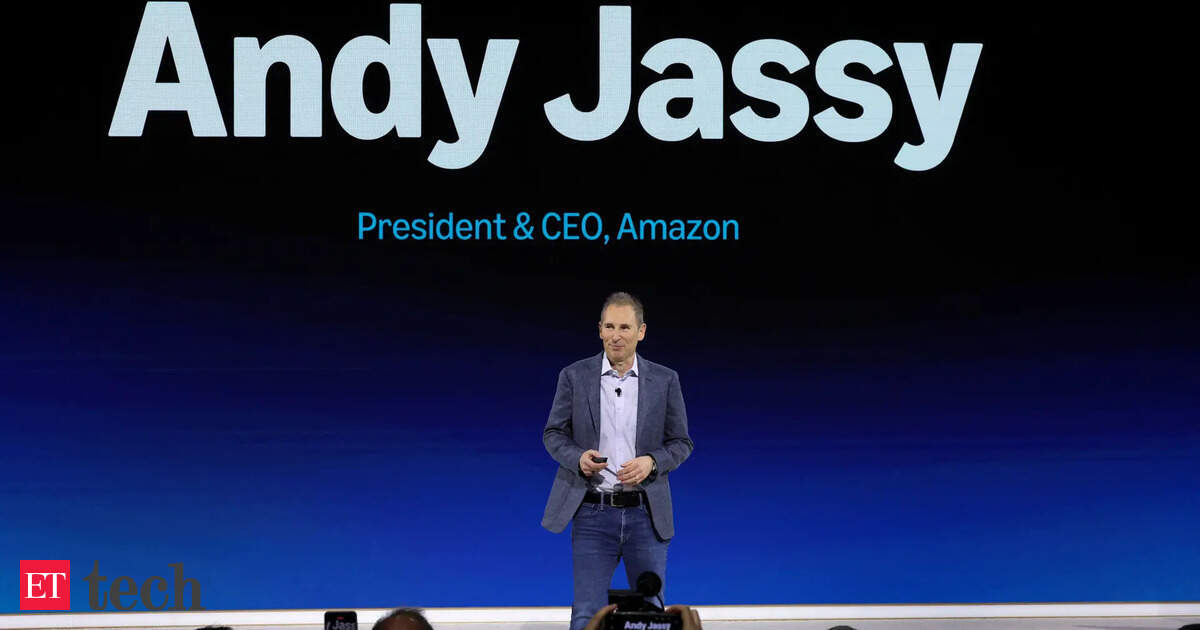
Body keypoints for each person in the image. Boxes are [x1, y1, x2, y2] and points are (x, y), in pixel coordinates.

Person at [542, 292, 695, 630]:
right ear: (599, 329)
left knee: (650, 615)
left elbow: (681, 443)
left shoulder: (665, 380)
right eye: (609, 326)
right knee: (587, 614)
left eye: (624, 327)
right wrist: (578, 458)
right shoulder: (574, 376)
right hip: (592, 513)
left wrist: (652, 462)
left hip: (646, 515)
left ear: (641, 331)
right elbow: (553, 434)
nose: (616, 335)